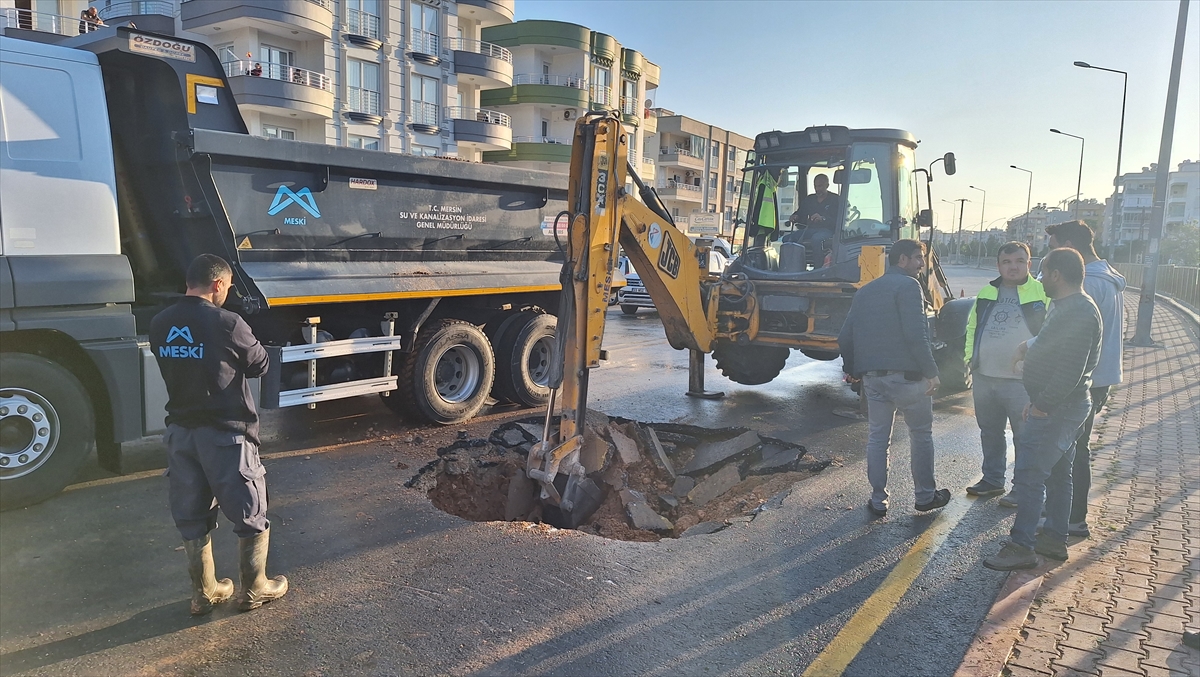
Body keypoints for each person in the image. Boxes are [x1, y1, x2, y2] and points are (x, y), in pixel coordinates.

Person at [150, 254, 288, 615]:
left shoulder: (160, 323)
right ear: (218, 284)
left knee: (191, 512)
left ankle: (205, 593)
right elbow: (260, 364)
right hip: (226, 435)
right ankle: (254, 588)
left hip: (181, 435)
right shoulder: (228, 322)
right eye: (227, 287)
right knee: (249, 510)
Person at [984, 248, 1101, 570]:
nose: (1040, 279)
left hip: (1059, 408)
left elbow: (1070, 370)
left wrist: (1042, 406)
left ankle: (1021, 546)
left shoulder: (1079, 311)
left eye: (1044, 272)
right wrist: (1036, 397)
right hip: (1058, 406)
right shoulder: (1067, 307)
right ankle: (1053, 539)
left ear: (1057, 275)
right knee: (1059, 474)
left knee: (1029, 475)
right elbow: (1052, 350)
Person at [839, 239, 950, 517]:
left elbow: (845, 337)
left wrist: (853, 369)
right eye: (918, 258)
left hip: (873, 379)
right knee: (920, 435)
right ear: (902, 259)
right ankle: (925, 496)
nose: (922, 264)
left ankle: (878, 500)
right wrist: (931, 371)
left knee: (878, 439)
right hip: (908, 379)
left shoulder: (865, 291)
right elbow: (916, 335)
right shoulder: (909, 286)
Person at [1045, 220, 1126, 538]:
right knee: (1073, 447)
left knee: (1071, 450)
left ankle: (1072, 517)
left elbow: (1071, 338)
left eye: (1053, 249)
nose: (1049, 256)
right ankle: (1063, 510)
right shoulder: (1106, 277)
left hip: (1082, 379)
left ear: (1068, 247)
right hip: (1097, 376)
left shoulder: (1088, 283)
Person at [963, 242, 1048, 501]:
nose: (1013, 267)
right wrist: (970, 359)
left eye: (1020, 261)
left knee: (1025, 436)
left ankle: (1023, 487)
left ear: (1029, 264)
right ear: (998, 265)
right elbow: (972, 328)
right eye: (1007, 262)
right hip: (985, 376)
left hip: (1021, 381)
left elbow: (1051, 333)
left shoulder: (1042, 292)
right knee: (990, 432)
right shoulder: (987, 291)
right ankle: (992, 480)